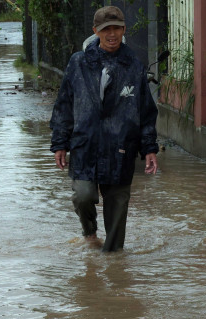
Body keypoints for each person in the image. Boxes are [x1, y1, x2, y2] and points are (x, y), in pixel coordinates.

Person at [50, 6, 159, 252]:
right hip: (85, 145)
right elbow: (64, 104)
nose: (112, 34)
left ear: (123, 29)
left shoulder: (133, 66)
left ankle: (114, 264)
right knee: (83, 195)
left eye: (116, 29)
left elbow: (146, 111)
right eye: (106, 30)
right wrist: (60, 143)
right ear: (95, 32)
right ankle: (89, 232)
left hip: (120, 148)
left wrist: (149, 148)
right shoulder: (79, 63)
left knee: (117, 209)